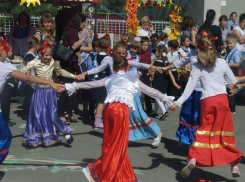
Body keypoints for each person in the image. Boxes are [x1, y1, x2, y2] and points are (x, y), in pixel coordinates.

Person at [65, 55, 174, 182]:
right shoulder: (133, 80)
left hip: (109, 109)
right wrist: (167, 100)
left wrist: (71, 86)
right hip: (120, 112)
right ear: (127, 67)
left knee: (109, 142)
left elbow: (92, 84)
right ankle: (101, 173)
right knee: (119, 145)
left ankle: (124, 175)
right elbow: (151, 91)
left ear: (114, 68)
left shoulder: (110, 77)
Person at [170, 31, 243, 178]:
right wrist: (236, 85)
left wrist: (177, 103)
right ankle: (234, 166)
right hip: (222, 100)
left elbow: (189, 89)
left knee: (203, 132)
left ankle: (194, 158)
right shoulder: (221, 62)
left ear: (200, 49)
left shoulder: (197, 66)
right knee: (225, 133)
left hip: (207, 101)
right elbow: (233, 81)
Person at [80, 41, 166, 146]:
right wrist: (86, 73)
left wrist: (152, 67)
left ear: (126, 54)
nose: (121, 55)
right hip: (117, 94)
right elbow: (98, 69)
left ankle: (156, 133)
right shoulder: (109, 60)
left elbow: (138, 64)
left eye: (123, 53)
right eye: (119, 53)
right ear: (114, 51)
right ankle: (127, 136)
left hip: (129, 93)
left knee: (138, 115)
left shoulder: (125, 61)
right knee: (126, 117)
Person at [0, 39, 64, 180]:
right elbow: (28, 76)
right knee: (5, 136)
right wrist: (50, 83)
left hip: (46, 92)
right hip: (40, 91)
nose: (10, 52)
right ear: (2, 51)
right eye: (7, 49)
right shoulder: (5, 67)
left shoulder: (5, 65)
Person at [19, 41, 82, 148]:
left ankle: (65, 131)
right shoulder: (34, 62)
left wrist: (74, 76)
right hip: (38, 93)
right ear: (40, 54)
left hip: (49, 93)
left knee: (51, 116)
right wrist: (11, 74)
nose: (48, 57)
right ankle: (37, 137)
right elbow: (23, 70)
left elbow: (61, 71)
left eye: (50, 55)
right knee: (38, 115)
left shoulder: (52, 62)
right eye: (46, 55)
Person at [58, 13, 93, 124]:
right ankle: (61, 113)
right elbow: (73, 46)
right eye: (83, 22)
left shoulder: (69, 29)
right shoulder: (72, 31)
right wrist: (85, 37)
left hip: (71, 62)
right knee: (66, 88)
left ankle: (69, 112)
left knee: (71, 88)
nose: (84, 24)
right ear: (80, 22)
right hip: (68, 63)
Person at [151, 45, 179, 120]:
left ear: (159, 53)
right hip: (163, 81)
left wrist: (149, 71)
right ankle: (156, 112)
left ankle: (164, 111)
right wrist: (174, 82)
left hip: (157, 80)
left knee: (156, 96)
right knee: (159, 96)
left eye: (156, 51)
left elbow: (152, 72)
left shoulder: (156, 62)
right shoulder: (166, 62)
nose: (155, 52)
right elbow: (169, 73)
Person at [22, 36, 40, 119]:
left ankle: (30, 112)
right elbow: (28, 68)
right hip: (31, 80)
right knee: (29, 97)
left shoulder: (34, 55)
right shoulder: (29, 55)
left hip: (34, 79)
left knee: (32, 97)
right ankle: (26, 113)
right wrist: (29, 80)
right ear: (36, 45)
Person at [225, 35, 242, 114]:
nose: (229, 45)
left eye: (230, 43)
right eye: (228, 43)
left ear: (235, 43)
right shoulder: (229, 51)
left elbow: (237, 64)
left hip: (232, 71)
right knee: (227, 89)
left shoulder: (236, 52)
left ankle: (232, 109)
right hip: (228, 71)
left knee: (231, 89)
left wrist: (226, 64)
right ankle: (228, 107)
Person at [139, 37, 153, 114]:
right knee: (140, 91)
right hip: (140, 72)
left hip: (146, 72)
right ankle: (141, 108)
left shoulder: (149, 54)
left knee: (147, 90)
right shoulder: (139, 53)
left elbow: (149, 63)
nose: (145, 47)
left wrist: (149, 72)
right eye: (143, 45)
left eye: (146, 45)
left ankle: (149, 109)